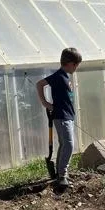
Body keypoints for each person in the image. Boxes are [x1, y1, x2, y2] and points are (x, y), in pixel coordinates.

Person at [37, 47, 82, 190]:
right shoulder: (58, 76)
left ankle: (60, 172)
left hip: (67, 116)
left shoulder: (65, 77)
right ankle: (62, 175)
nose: (76, 68)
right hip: (62, 117)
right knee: (69, 144)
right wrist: (45, 103)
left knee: (64, 144)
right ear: (69, 63)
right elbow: (40, 84)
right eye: (75, 65)